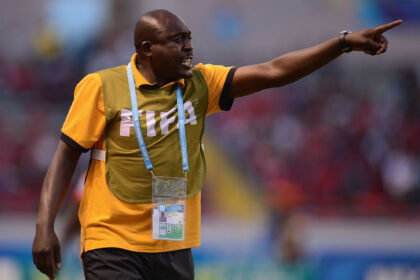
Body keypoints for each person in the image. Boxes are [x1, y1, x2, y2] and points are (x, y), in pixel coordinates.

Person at [32, 9, 402, 280]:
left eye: (189, 37)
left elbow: (274, 71)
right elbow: (65, 156)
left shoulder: (200, 84)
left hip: (171, 239)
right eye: (177, 41)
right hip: (110, 238)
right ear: (146, 49)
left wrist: (341, 44)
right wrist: (44, 225)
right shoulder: (102, 87)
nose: (189, 48)